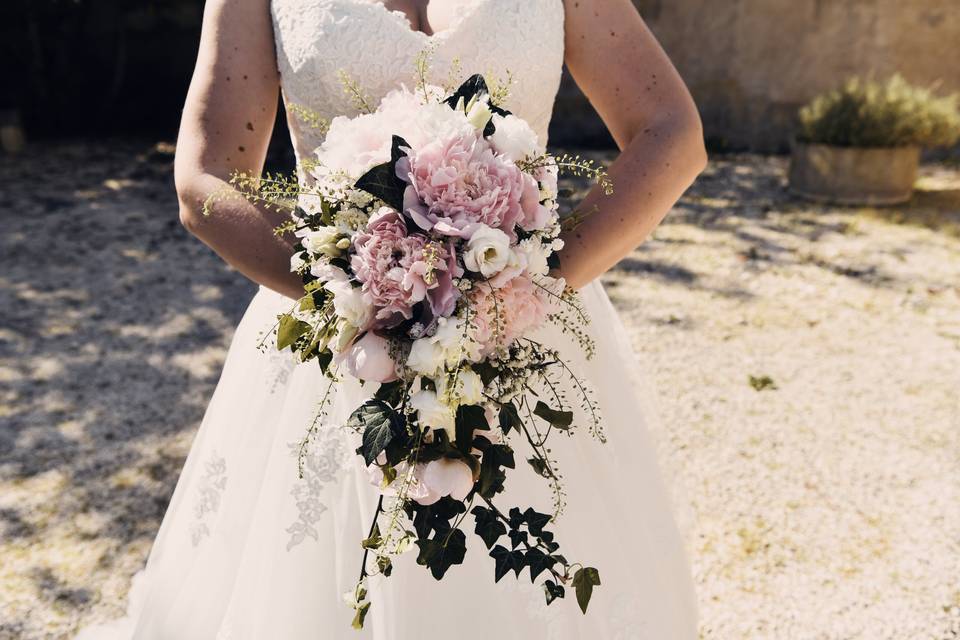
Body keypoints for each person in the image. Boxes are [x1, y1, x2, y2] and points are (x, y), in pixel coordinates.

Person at [78, 1, 707, 637]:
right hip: (335, 341)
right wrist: (366, 296)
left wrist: (519, 283)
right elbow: (207, 177)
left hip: (522, 335)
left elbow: (670, 132)